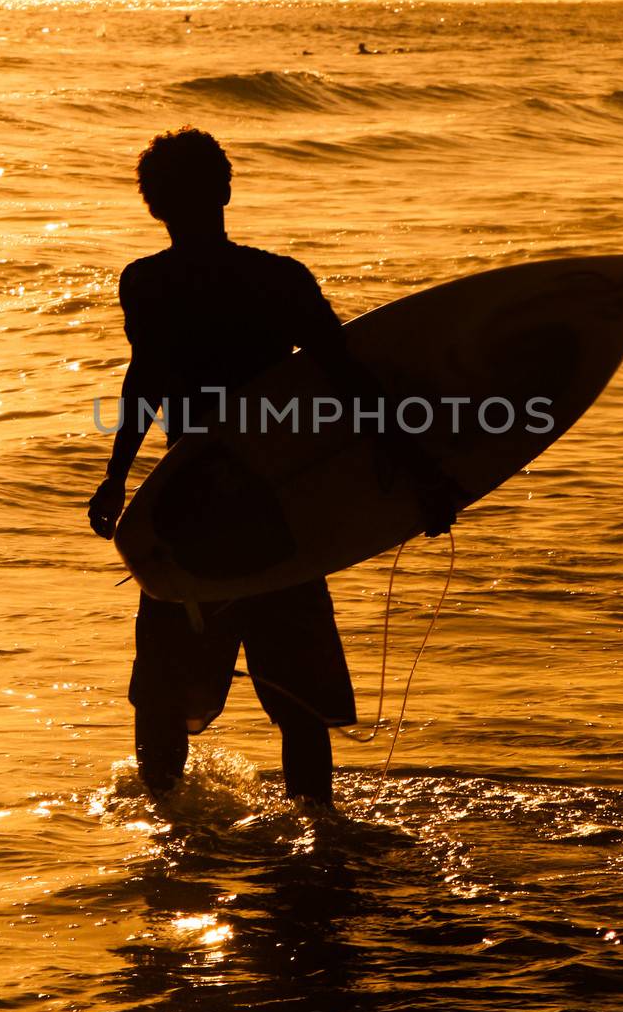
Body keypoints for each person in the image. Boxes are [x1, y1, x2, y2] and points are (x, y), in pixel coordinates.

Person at [88, 127, 458, 806]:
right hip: (281, 504)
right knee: (299, 703)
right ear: (225, 190)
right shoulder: (277, 280)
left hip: (189, 505)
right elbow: (351, 382)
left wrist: (118, 474)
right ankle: (317, 831)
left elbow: (145, 380)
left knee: (162, 696)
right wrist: (421, 476)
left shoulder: (147, 283)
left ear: (153, 206)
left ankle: (169, 836)